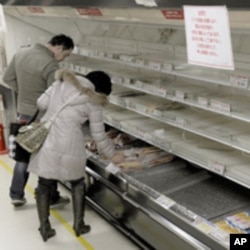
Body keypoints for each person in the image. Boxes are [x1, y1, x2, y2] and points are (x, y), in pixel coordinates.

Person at [27, 69, 123, 241]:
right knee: (78, 182)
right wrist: (112, 154)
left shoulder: (60, 83)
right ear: (101, 89)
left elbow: (41, 103)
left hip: (47, 137)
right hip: (70, 141)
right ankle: (79, 224)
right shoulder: (94, 99)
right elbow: (98, 135)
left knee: (44, 183)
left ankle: (44, 226)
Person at [3, 34, 75, 207]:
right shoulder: (50, 65)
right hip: (42, 117)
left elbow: (7, 79)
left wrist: (24, 93)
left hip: (23, 113)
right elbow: (55, 95)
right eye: (65, 54)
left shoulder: (21, 53)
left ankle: (16, 195)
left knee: (23, 156)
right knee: (48, 158)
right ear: (59, 48)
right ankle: (51, 197)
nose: (63, 58)